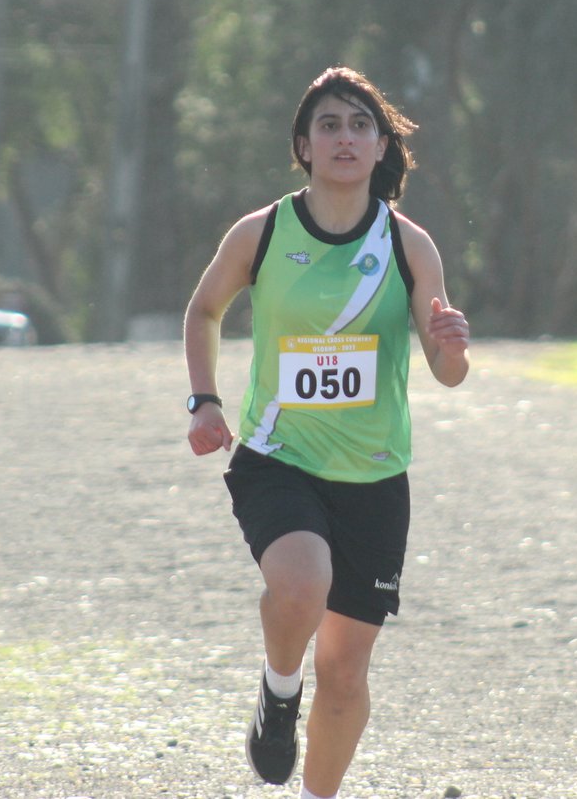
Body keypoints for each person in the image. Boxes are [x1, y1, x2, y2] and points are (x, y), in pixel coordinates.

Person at [184, 67, 470, 799]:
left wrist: (451, 343)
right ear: (303, 147)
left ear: (381, 147)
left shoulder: (410, 247)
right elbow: (204, 310)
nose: (345, 137)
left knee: (344, 673)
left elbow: (446, 370)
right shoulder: (264, 231)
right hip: (279, 459)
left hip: (375, 478)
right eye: (329, 125)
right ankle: (279, 691)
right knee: (302, 581)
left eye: (359, 125)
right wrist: (205, 401)